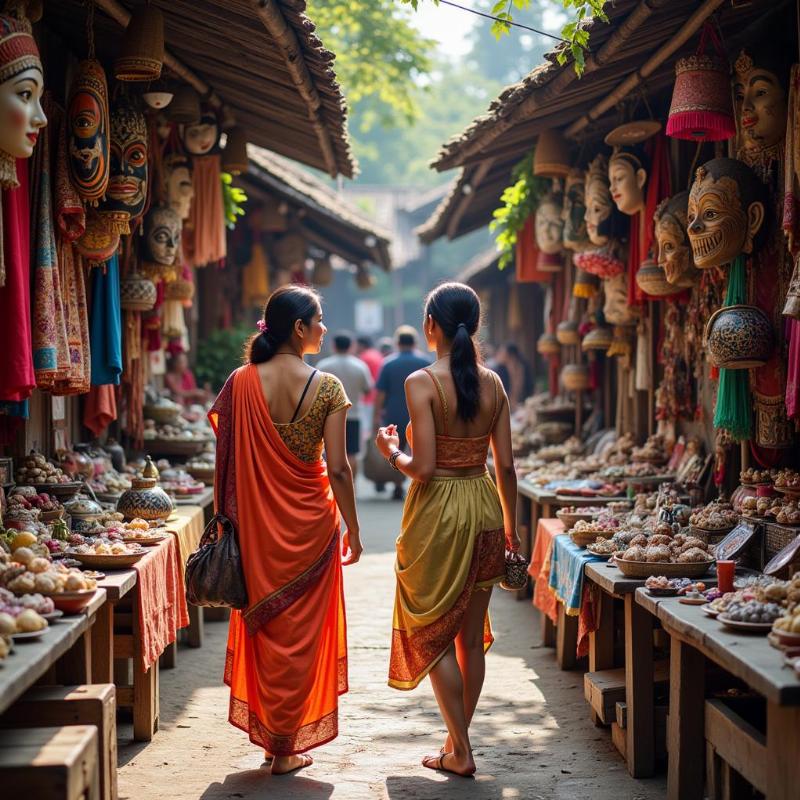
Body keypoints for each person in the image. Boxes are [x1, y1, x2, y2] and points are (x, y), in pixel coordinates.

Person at [209, 285, 362, 776]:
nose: (324, 327)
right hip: (312, 530)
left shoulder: (240, 382)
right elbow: (338, 470)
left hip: (256, 531)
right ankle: (286, 746)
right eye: (318, 319)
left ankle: (276, 744)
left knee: (268, 629)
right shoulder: (329, 387)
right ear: (299, 327)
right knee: (305, 636)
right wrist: (353, 530)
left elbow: (228, 460)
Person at [375, 282, 520, 777]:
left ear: (430, 325)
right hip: (484, 509)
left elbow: (425, 468)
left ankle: (460, 749)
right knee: (469, 637)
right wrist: (513, 529)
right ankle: (458, 743)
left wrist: (390, 452)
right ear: (475, 325)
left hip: (439, 514)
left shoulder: (421, 383)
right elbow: (506, 468)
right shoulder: (494, 383)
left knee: (430, 630)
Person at [373, 326, 429, 499]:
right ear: (416, 342)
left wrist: (376, 415)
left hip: (394, 413)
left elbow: (381, 393)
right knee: (418, 449)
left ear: (397, 343)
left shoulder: (388, 363)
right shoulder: (425, 362)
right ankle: (418, 485)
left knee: (395, 448)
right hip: (420, 413)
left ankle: (398, 485)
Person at [318, 332, 373, 479]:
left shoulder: (323, 366)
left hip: (328, 416)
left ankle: (330, 485)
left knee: (329, 451)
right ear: (351, 346)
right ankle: (351, 484)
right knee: (352, 453)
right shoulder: (360, 365)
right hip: (353, 414)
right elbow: (368, 389)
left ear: (334, 346)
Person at [491, 342, 532, 412]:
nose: (498, 354)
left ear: (511, 355)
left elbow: (528, 386)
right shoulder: (499, 370)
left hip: (523, 405)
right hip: (505, 407)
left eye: (501, 352)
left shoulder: (523, 367)